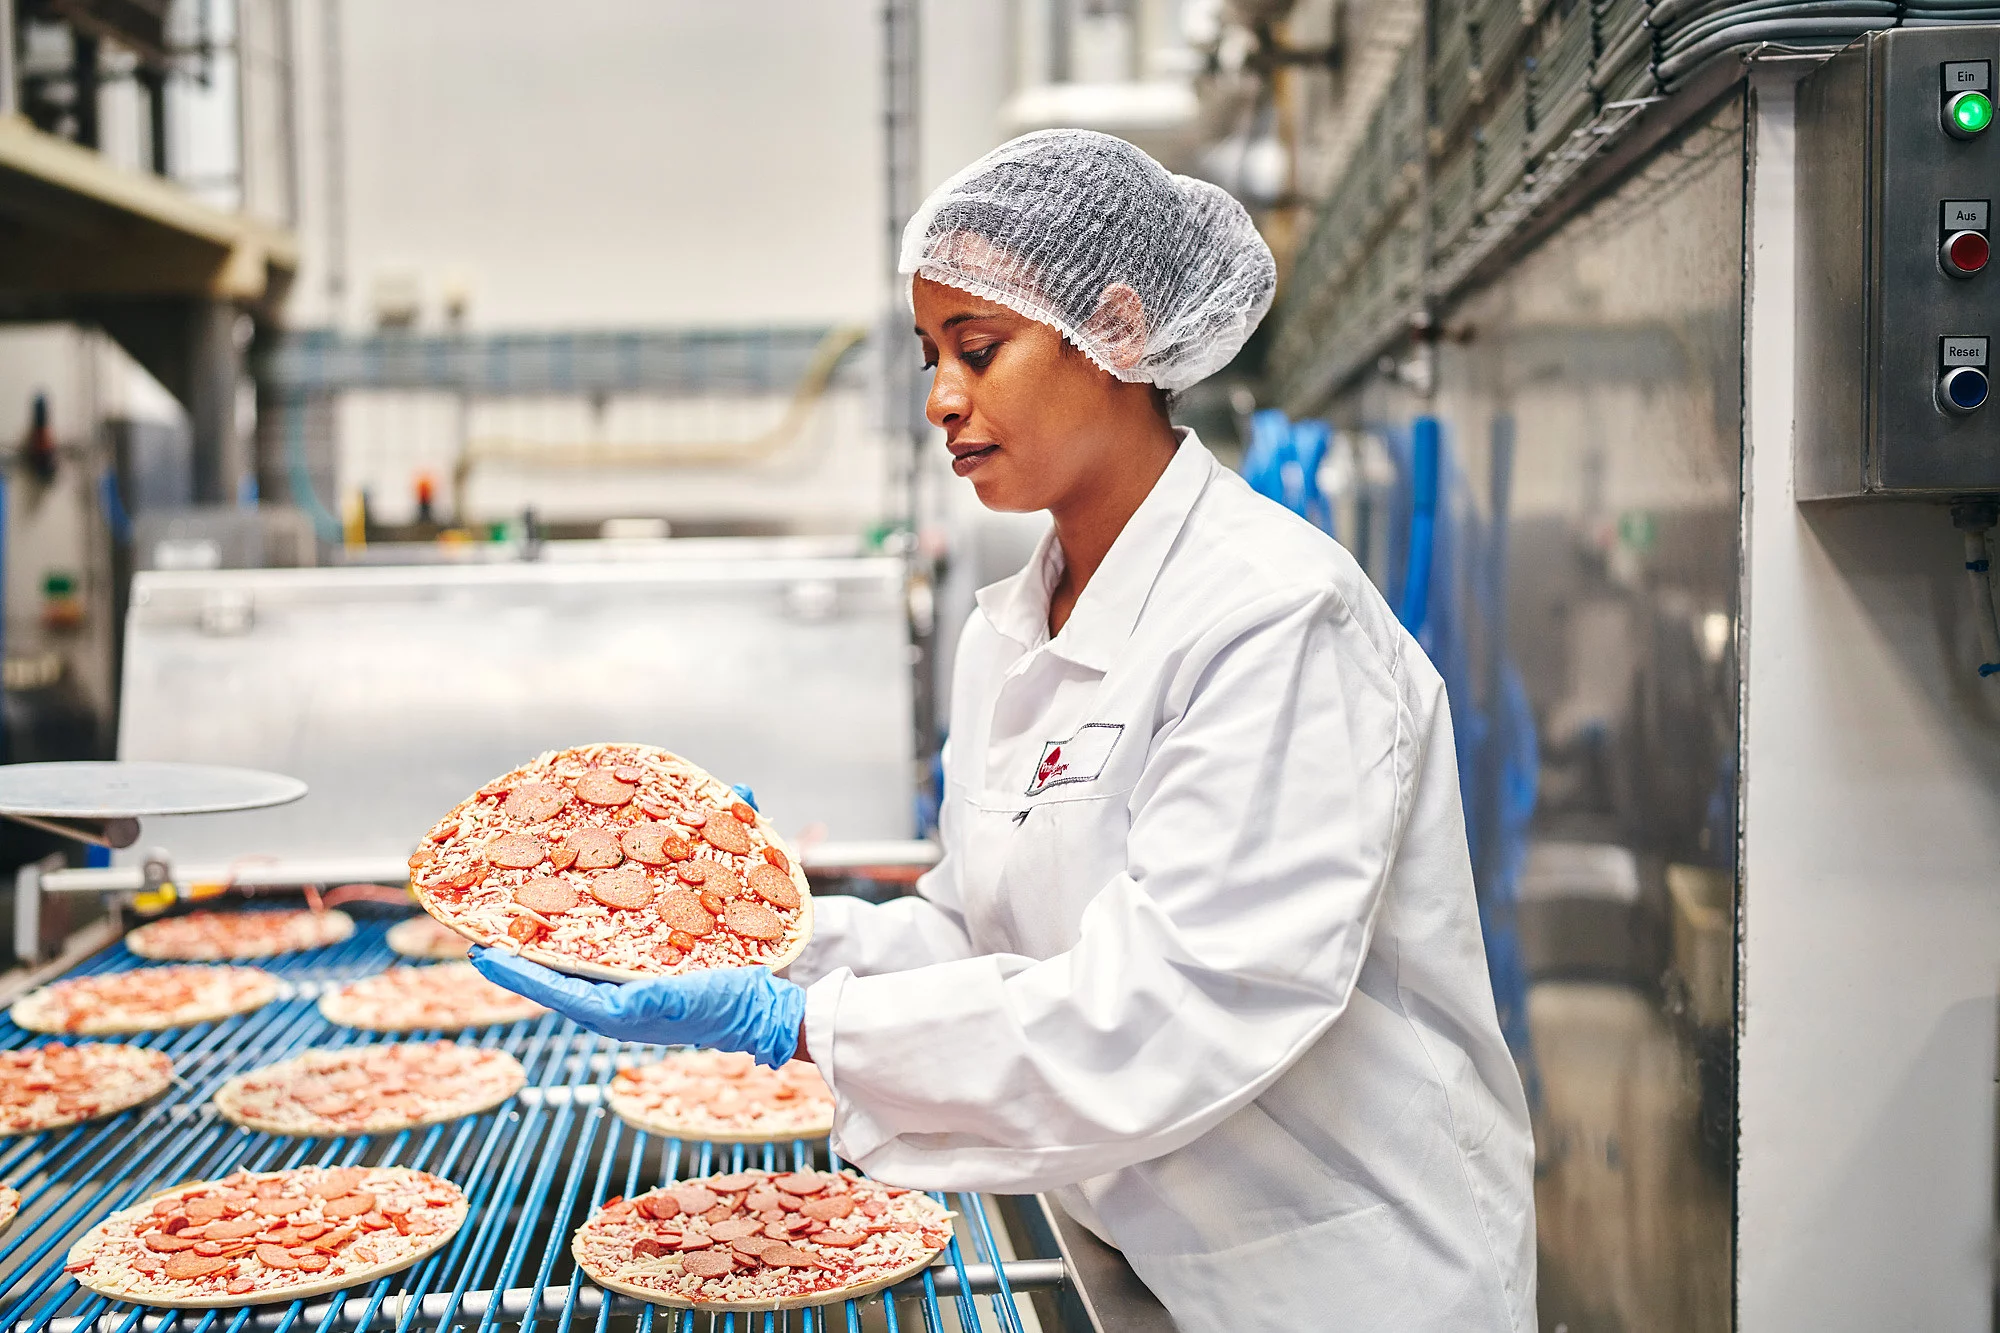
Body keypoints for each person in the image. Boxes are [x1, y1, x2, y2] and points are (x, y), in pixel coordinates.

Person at [474, 129, 1536, 1332]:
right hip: (1138, 1247)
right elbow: (986, 939)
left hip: (1335, 1278)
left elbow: (1181, 1004)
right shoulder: (1010, 631)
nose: (938, 399)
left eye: (977, 350)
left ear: (1118, 333)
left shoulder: (1274, 616)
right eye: (930, 355)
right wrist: (754, 937)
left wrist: (802, 1024)